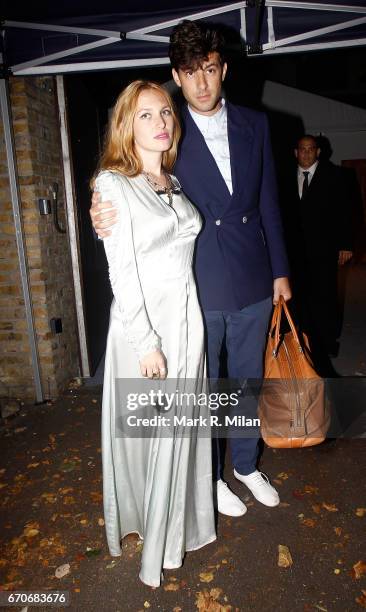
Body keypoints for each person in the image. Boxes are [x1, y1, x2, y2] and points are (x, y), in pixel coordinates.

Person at [91, 20, 291, 518]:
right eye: (189, 72)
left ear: (223, 69)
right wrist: (100, 208)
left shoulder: (256, 124)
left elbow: (270, 202)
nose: (201, 83)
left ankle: (245, 464)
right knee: (204, 391)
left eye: (209, 69)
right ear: (176, 77)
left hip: (252, 276)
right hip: (195, 284)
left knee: (247, 382)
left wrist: (280, 271)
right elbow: (129, 174)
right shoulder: (165, 125)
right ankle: (210, 478)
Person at [93, 80, 216, 587]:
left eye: (165, 112)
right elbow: (121, 272)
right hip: (145, 332)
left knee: (180, 430)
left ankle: (178, 526)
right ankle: (154, 544)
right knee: (152, 434)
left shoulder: (173, 182)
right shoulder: (113, 184)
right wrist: (146, 344)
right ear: (126, 124)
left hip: (188, 323)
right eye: (145, 115)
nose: (161, 122)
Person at [280, 135, 353, 375]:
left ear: (318, 152)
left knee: (325, 295)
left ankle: (328, 342)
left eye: (311, 149)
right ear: (295, 152)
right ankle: (302, 340)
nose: (307, 153)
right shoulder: (284, 177)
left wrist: (345, 244)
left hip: (325, 247)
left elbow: (347, 212)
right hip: (294, 250)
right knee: (298, 295)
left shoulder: (335, 176)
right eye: (302, 149)